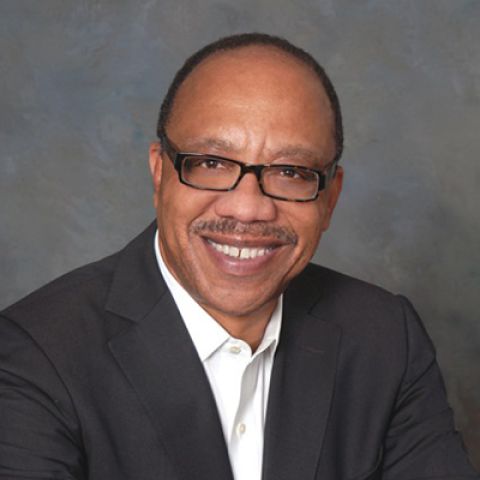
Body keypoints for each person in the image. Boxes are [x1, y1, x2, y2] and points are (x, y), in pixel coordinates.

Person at [0, 33, 477, 480]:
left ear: (329, 198)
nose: (248, 208)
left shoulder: (387, 338)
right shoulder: (34, 358)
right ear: (159, 174)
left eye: (291, 171)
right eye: (210, 163)